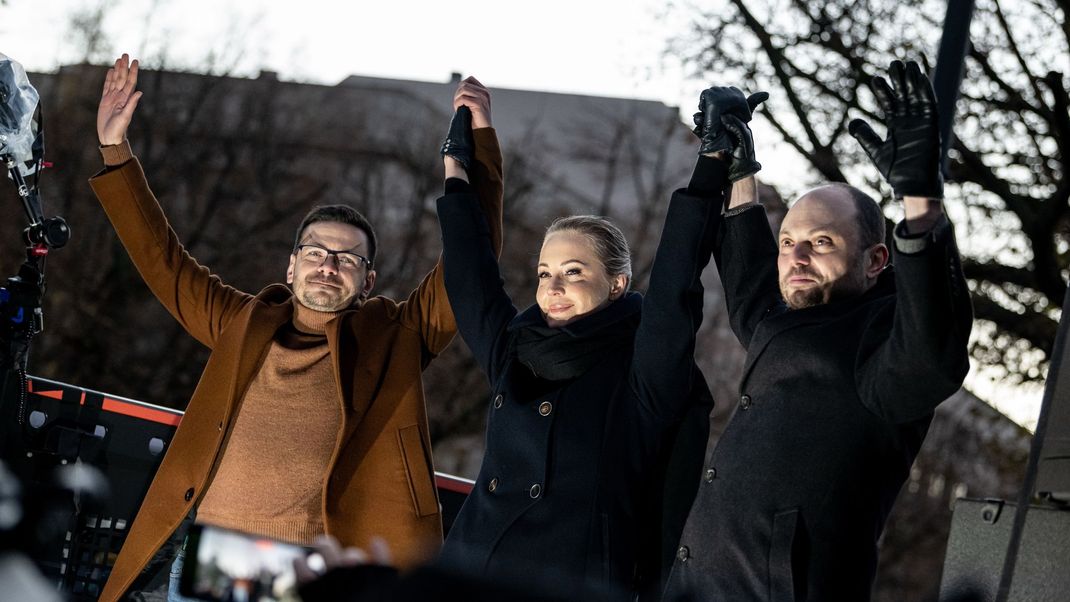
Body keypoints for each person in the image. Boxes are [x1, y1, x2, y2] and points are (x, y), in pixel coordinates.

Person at [89, 54, 504, 601]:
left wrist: (478, 154)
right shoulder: (241, 322)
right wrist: (116, 153)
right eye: (315, 251)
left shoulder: (396, 338)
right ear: (291, 267)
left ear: (369, 280)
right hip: (214, 557)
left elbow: (470, 266)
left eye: (347, 258)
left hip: (313, 571)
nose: (328, 264)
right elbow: (165, 263)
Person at [431, 88, 770, 598]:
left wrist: (713, 160)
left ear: (616, 284)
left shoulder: (643, 371)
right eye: (545, 273)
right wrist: (459, 165)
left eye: (573, 271)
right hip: (473, 568)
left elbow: (677, 284)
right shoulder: (515, 351)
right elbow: (469, 276)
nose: (553, 287)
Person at [663, 60, 973, 601]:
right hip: (695, 585)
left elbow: (932, 352)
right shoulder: (790, 321)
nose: (797, 256)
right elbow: (753, 292)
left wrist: (922, 206)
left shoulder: (885, 336)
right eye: (789, 241)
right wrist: (738, 167)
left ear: (876, 260)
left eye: (822, 242)